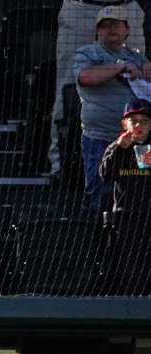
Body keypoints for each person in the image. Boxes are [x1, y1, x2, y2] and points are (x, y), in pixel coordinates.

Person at [48, 0, 145, 176]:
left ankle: (139, 166)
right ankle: (60, 161)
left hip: (126, 8)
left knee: (137, 90)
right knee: (67, 87)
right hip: (81, 9)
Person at [75, 5, 151, 218]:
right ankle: (95, 239)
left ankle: (127, 239)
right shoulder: (88, 53)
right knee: (100, 188)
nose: (111, 29)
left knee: (139, 189)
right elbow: (86, 77)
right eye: (105, 25)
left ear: (127, 29)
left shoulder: (137, 56)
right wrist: (121, 67)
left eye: (117, 24)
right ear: (98, 30)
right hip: (100, 138)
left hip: (139, 140)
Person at [99, 97, 151, 295]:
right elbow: (105, 173)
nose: (138, 125)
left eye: (144, 121)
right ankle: (133, 300)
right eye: (134, 120)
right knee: (131, 262)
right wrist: (121, 149)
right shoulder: (116, 146)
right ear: (124, 123)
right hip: (127, 214)